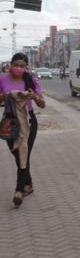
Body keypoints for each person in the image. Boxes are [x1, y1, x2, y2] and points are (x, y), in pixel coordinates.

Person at [0, 53, 45, 207]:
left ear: (26, 67)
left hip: (28, 122)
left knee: (22, 152)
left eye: (22, 66)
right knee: (17, 154)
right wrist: (5, 96)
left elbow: (42, 104)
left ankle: (19, 190)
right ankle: (29, 183)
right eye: (16, 65)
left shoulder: (31, 80)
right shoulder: (3, 79)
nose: (19, 68)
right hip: (10, 122)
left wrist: (35, 97)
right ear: (10, 65)